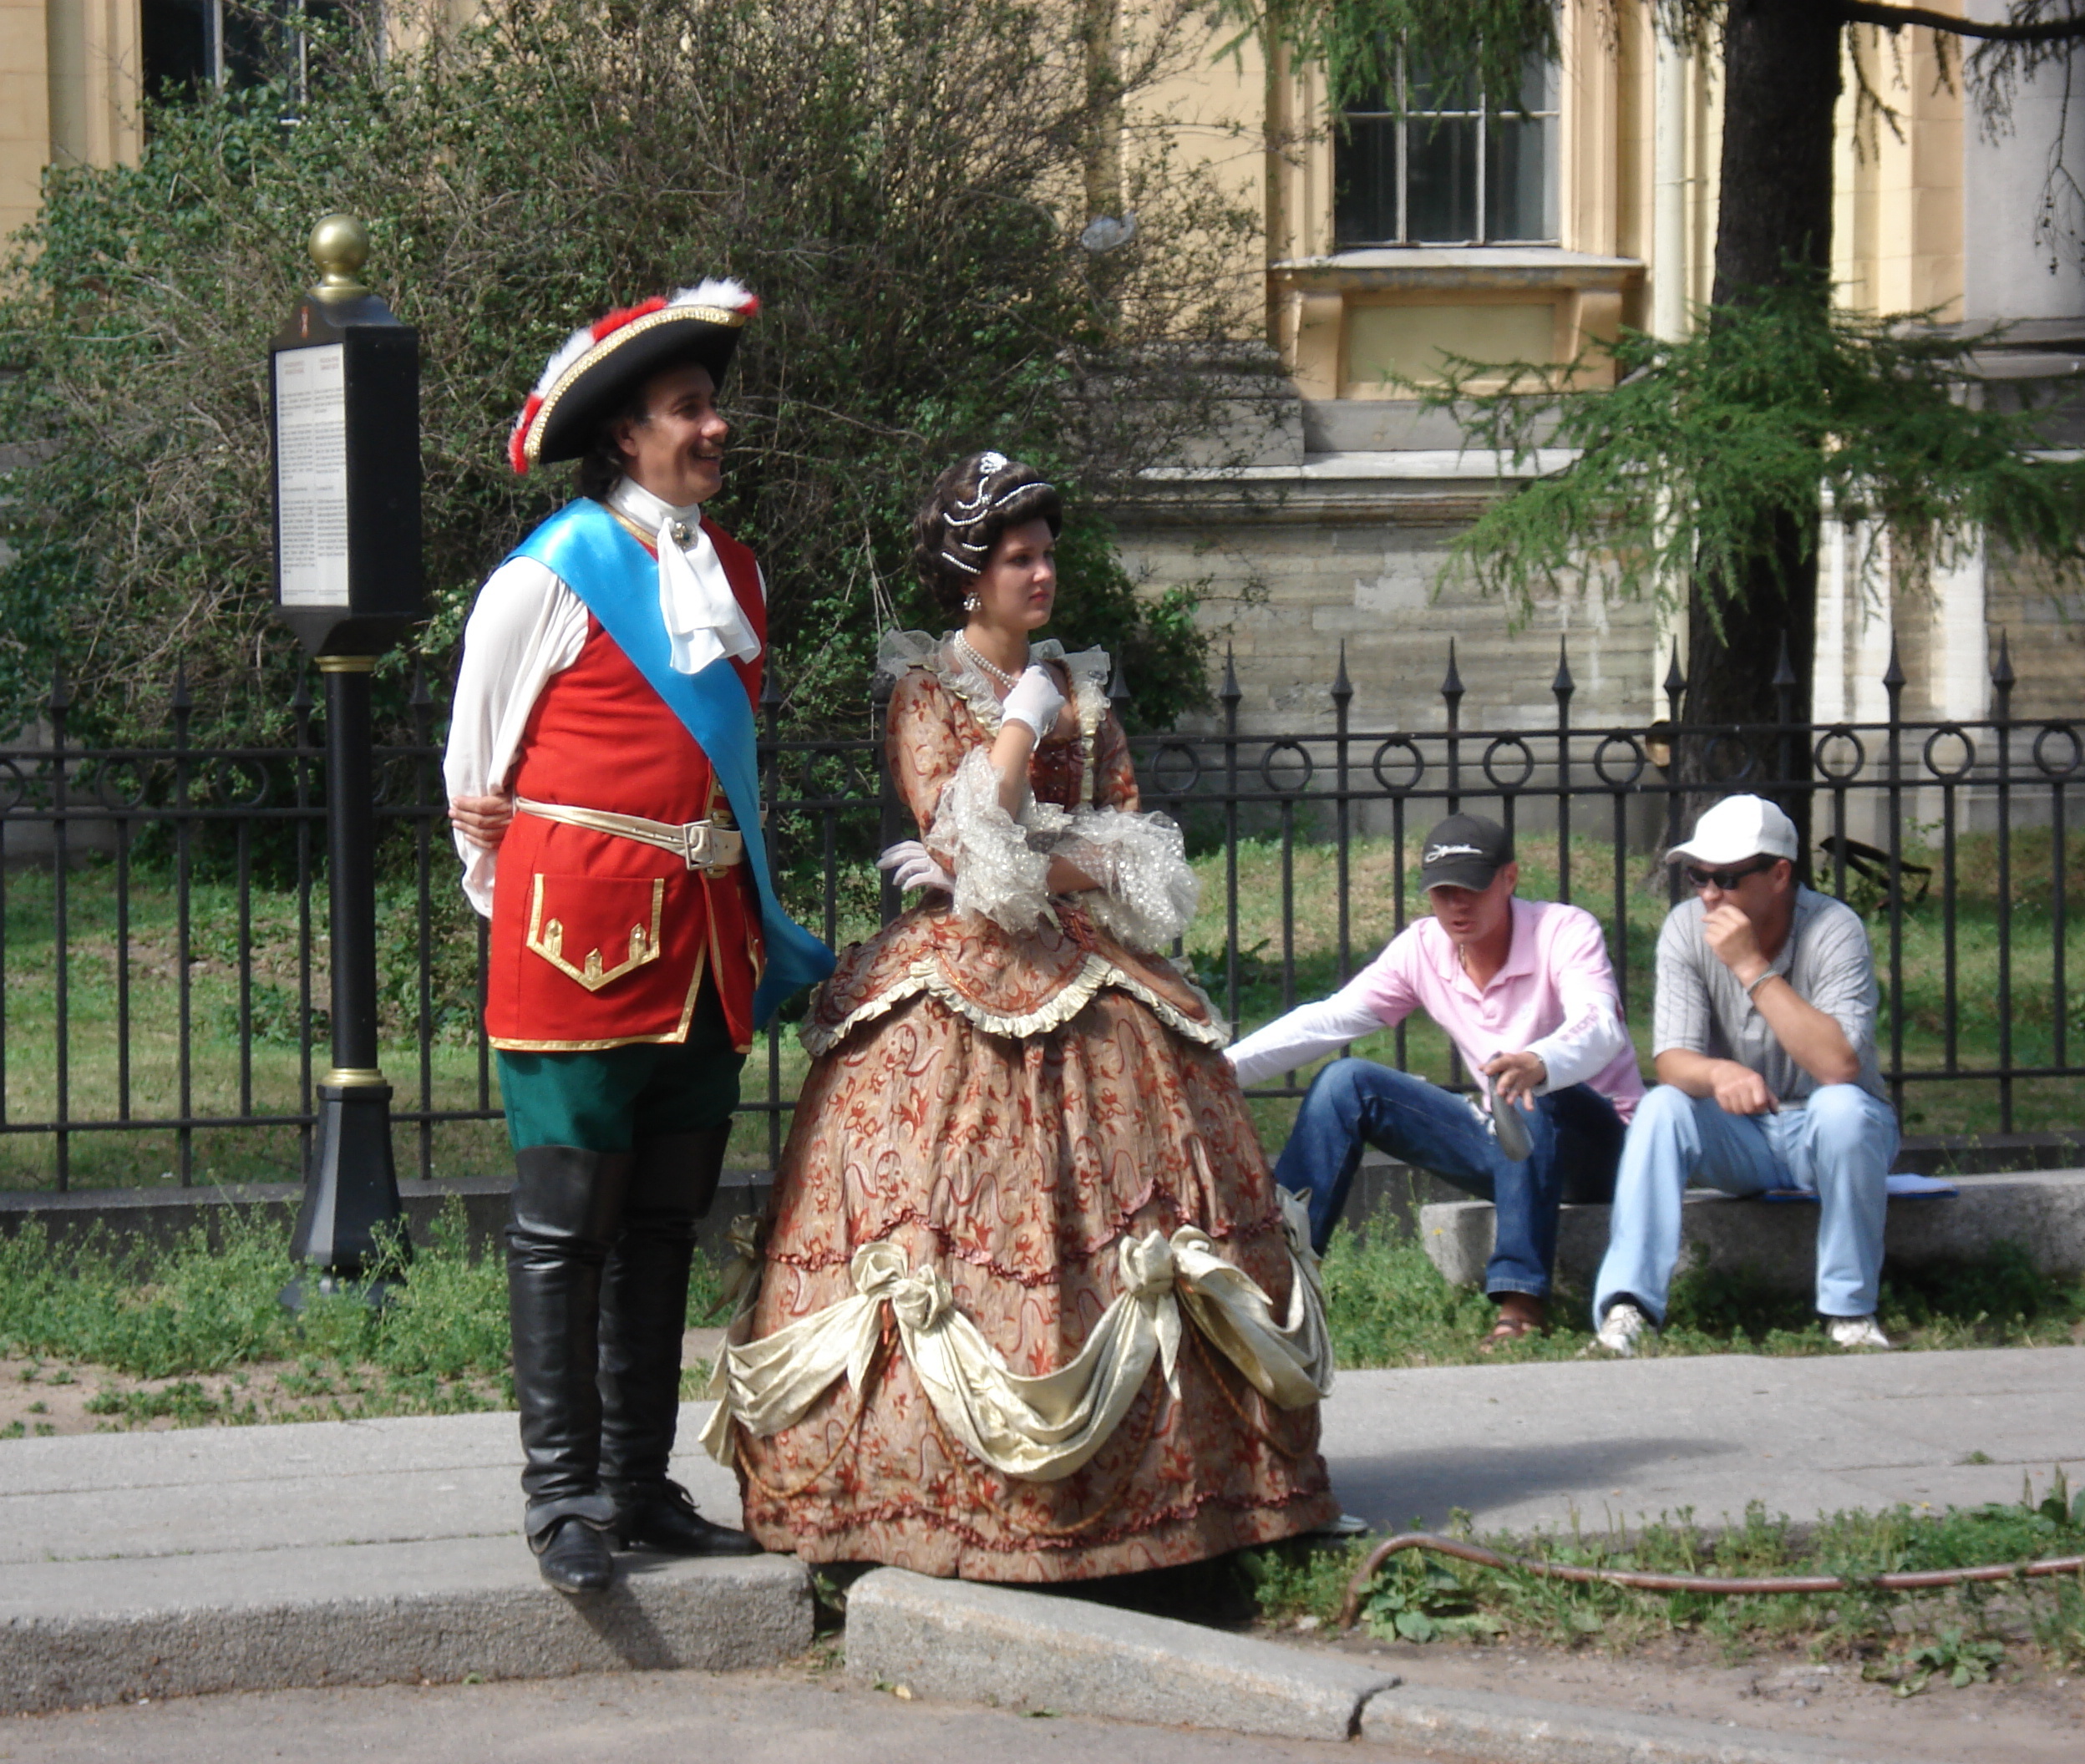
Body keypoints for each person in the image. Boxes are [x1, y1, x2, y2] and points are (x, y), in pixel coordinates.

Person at [700, 451, 1340, 1582]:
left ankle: (1181, 1498)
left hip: (1095, 973)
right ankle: (913, 1494)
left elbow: (1132, 855)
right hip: (958, 977)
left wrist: (1033, 852)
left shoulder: (1082, 695)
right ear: (969, 575)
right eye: (1018, 559)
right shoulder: (929, 693)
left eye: (1047, 555)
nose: (1042, 575)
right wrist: (1016, 760)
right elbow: (972, 851)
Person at [444, 279, 834, 1594]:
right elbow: (472, 778)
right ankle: (560, 1498)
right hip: (575, 944)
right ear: (627, 436)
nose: (714, 428)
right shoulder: (551, 572)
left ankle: (639, 1484)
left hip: (709, 948)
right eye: (688, 410)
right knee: (565, 1229)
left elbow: (725, 760)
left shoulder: (738, 575)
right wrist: (535, 916)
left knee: (665, 1224)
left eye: (713, 406)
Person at [1225, 815, 1643, 1347]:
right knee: (1345, 1084)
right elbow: (1329, 1019)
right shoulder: (1423, 948)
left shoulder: (1564, 931)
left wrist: (1540, 1062)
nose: (1457, 905)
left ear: (1510, 879)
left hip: (1603, 1149)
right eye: (1443, 892)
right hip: (1512, 1146)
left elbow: (1601, 1025)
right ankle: (1279, 1282)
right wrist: (1218, 1068)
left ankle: (1519, 1302)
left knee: (1525, 1090)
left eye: (1472, 888)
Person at [1588, 794, 1900, 1356]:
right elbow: (1672, 1060)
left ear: (1779, 874)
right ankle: (1628, 1306)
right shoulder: (1686, 928)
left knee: (1844, 1110)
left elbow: (1837, 1066)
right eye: (1697, 877)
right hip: (1742, 1133)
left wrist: (1751, 966)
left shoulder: (1835, 928)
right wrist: (1717, 1073)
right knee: (1661, 1107)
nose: (1709, 894)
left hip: (1827, 1128)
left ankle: (1850, 1312)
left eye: (1727, 879)